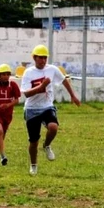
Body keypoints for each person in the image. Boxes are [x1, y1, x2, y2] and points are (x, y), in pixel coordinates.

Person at [21, 44, 81, 175]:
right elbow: (26, 93)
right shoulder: (28, 73)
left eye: (45, 58)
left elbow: (64, 80)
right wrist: (42, 86)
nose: (43, 61)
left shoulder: (52, 69)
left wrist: (73, 95)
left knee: (53, 127)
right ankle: (33, 165)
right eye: (40, 58)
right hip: (32, 109)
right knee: (33, 141)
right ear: (34, 58)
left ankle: (47, 145)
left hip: (47, 106)